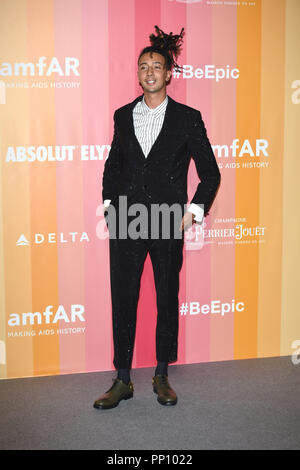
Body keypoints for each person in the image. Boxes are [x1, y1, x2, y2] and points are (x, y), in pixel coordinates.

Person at [94, 26, 221, 409]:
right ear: (138, 74)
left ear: (169, 74)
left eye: (157, 66)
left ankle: (162, 374)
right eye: (143, 66)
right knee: (123, 299)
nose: (149, 71)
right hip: (127, 222)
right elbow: (112, 167)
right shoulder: (121, 116)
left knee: (167, 297)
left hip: (168, 221)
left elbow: (210, 172)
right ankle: (122, 379)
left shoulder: (187, 118)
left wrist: (194, 211)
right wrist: (110, 208)